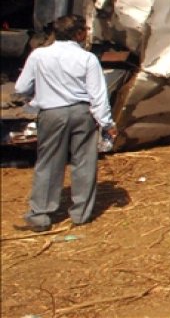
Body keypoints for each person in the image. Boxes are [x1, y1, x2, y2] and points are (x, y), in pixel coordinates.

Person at [13, 15, 117, 232]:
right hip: (81, 113)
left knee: (49, 162)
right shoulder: (87, 59)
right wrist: (106, 123)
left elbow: (21, 88)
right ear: (79, 34)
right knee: (84, 162)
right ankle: (80, 214)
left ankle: (40, 215)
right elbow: (98, 96)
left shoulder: (39, 55)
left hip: (52, 113)